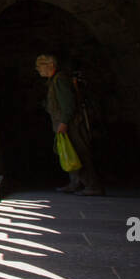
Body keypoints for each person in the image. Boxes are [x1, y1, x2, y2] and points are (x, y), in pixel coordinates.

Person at [35, 54, 103, 195]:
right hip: (64, 123)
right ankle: (76, 183)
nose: (38, 69)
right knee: (69, 153)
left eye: (40, 65)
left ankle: (92, 186)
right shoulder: (54, 81)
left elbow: (68, 104)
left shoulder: (60, 80)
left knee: (79, 153)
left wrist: (64, 122)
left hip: (71, 124)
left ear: (51, 65)